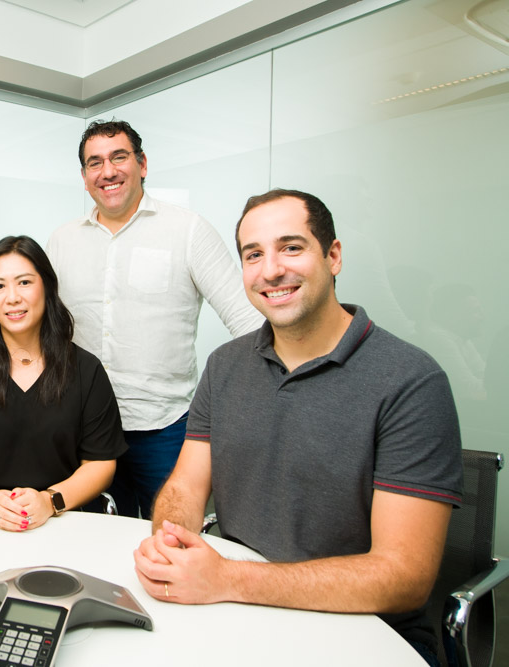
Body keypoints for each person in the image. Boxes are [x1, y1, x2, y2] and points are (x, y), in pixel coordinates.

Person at [133, 189, 463, 665]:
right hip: (237, 611)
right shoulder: (225, 365)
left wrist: (227, 578)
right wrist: (170, 543)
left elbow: (403, 576)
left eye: (291, 247)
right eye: (253, 254)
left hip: (361, 633)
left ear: (333, 256)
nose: (270, 270)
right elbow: (186, 485)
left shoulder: (410, 381)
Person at [46, 119, 262, 519]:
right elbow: (45, 329)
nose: (107, 171)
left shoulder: (188, 231)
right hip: (83, 431)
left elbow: (248, 322)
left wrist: (232, 409)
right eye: (95, 162)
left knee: (171, 544)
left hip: (165, 430)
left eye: (119, 157)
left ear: (142, 163)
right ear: (83, 176)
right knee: (92, 543)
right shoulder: (63, 240)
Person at [0, 236, 126, 530]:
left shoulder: (86, 370)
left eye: (25, 282)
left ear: (47, 286)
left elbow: (100, 463)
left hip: (63, 524)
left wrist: (50, 501)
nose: (12, 297)